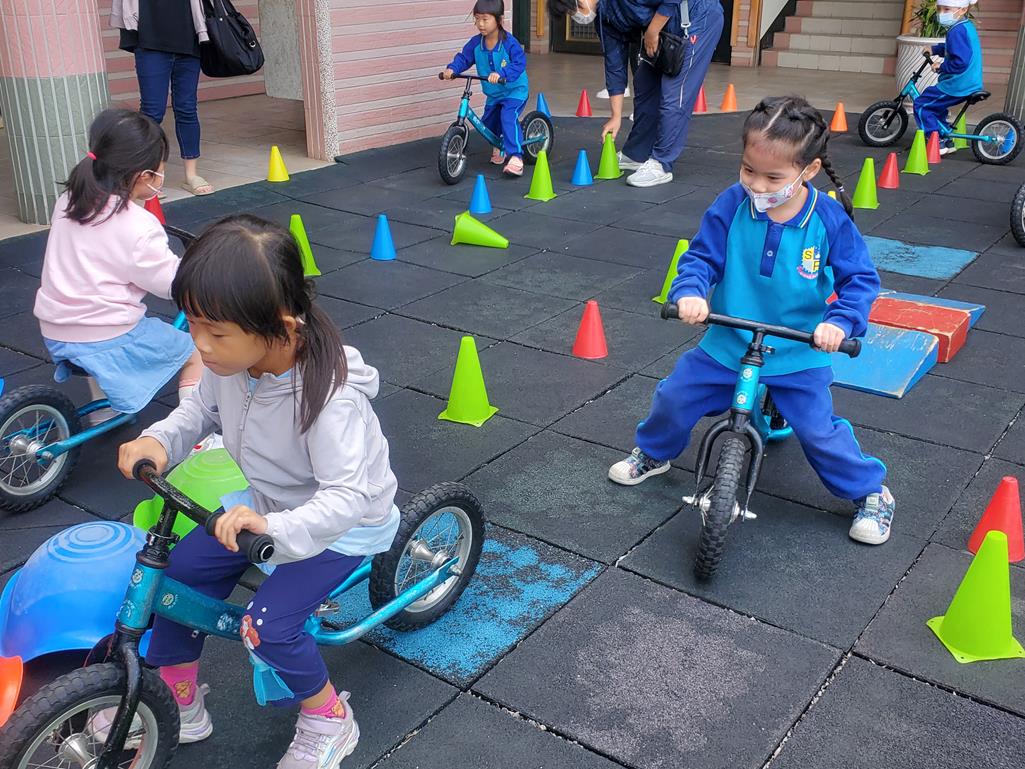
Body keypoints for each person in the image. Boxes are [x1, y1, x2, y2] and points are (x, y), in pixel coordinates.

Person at [114, 215, 400, 769]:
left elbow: (346, 498)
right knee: (174, 577)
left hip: (343, 528)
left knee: (267, 627)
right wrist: (159, 440)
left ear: (282, 329)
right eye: (194, 324)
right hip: (266, 508)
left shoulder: (329, 400)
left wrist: (274, 528)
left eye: (215, 333)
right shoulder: (232, 364)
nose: (200, 345)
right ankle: (179, 702)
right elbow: (198, 411)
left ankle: (329, 718)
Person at [608, 95, 896, 546]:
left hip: (798, 347)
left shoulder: (827, 219)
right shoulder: (732, 203)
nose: (757, 186)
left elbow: (859, 279)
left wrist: (840, 322)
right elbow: (701, 257)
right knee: (675, 396)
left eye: (773, 177)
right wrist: (690, 293)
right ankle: (654, 452)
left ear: (809, 170)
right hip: (729, 339)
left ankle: (871, 492)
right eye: (748, 170)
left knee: (819, 432)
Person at [33, 108, 202, 425]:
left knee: (97, 339)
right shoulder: (138, 225)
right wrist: (194, 270)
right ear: (143, 176)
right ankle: (193, 427)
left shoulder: (69, 200)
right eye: (160, 170)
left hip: (55, 330)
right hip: (105, 338)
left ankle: (105, 411)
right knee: (195, 353)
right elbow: (169, 283)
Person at [550, 0, 723, 188]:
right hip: (664, 31)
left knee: (675, 93)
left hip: (697, 18)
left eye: (574, 10)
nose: (576, 17)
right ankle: (637, 153)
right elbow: (614, 66)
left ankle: (661, 163)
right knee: (645, 84)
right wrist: (615, 116)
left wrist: (653, 32)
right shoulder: (604, 18)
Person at [111, 0, 215, 195]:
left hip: (189, 39)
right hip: (149, 42)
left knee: (187, 108)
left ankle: (191, 175)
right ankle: (150, 176)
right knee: (152, 112)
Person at [443, 0, 530, 177]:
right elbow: (464, 58)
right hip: (494, 93)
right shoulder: (476, 43)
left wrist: (503, 73)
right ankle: (499, 146)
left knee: (508, 117)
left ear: (499, 20)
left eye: (485, 19)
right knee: (488, 123)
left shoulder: (509, 43)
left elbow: (519, 62)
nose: (480, 24)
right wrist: (452, 69)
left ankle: (516, 157)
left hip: (515, 91)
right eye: (477, 19)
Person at [915, 0, 983, 156]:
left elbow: (960, 61)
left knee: (922, 104)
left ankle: (936, 142)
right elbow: (954, 49)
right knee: (936, 106)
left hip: (958, 83)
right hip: (969, 82)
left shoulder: (956, 31)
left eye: (946, 9)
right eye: (939, 9)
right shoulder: (965, 26)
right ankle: (947, 141)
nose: (941, 13)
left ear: (962, 9)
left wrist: (942, 67)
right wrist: (934, 49)